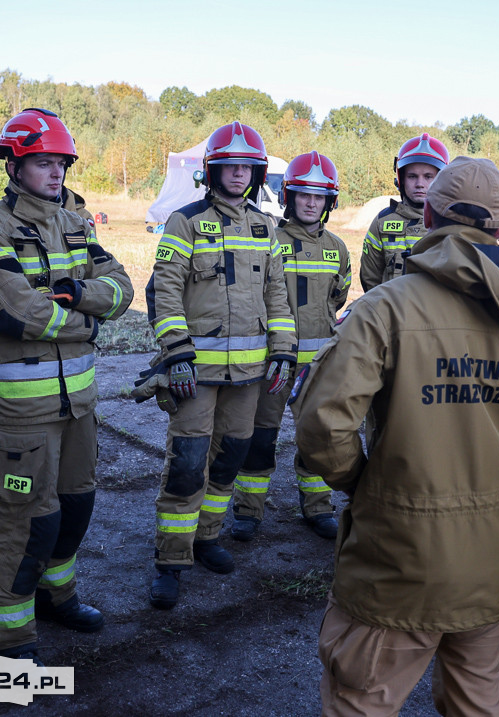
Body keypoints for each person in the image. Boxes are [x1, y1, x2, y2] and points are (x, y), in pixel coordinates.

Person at [293, 157, 499, 715]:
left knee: (361, 701)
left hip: (396, 566)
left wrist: (361, 482)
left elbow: (321, 426)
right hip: (494, 567)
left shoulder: (385, 308)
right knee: (477, 702)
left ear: (426, 215)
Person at [0, 107, 134, 664]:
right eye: (42, 162)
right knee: (29, 522)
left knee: (74, 509)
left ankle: (58, 597)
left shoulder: (78, 222)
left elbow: (123, 288)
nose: (56, 173)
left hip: (80, 404)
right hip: (25, 411)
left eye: (61, 162)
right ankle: (9, 645)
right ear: (14, 164)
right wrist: (87, 317)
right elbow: (19, 312)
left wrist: (78, 296)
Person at [145, 121, 297, 610]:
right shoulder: (183, 222)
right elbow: (164, 290)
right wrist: (176, 353)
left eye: (246, 167)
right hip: (197, 373)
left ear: (255, 174)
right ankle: (171, 560)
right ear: (212, 171)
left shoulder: (264, 226)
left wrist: (283, 349)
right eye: (229, 166)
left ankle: (207, 537)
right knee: (188, 465)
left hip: (250, 375)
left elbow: (277, 293)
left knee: (230, 458)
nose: (237, 174)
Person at [229, 151, 351, 542]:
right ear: (289, 198)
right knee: (260, 438)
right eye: (303, 194)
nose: (311, 202)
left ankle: (318, 507)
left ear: (329, 202)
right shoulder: (268, 240)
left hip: (318, 367)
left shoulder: (338, 248)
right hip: (273, 363)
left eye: (319, 196)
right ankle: (249, 511)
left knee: (316, 438)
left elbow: (339, 297)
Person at [359, 133, 449, 292]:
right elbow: (370, 280)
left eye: (428, 176)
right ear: (401, 179)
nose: (420, 184)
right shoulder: (382, 223)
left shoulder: (451, 222)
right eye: (412, 176)